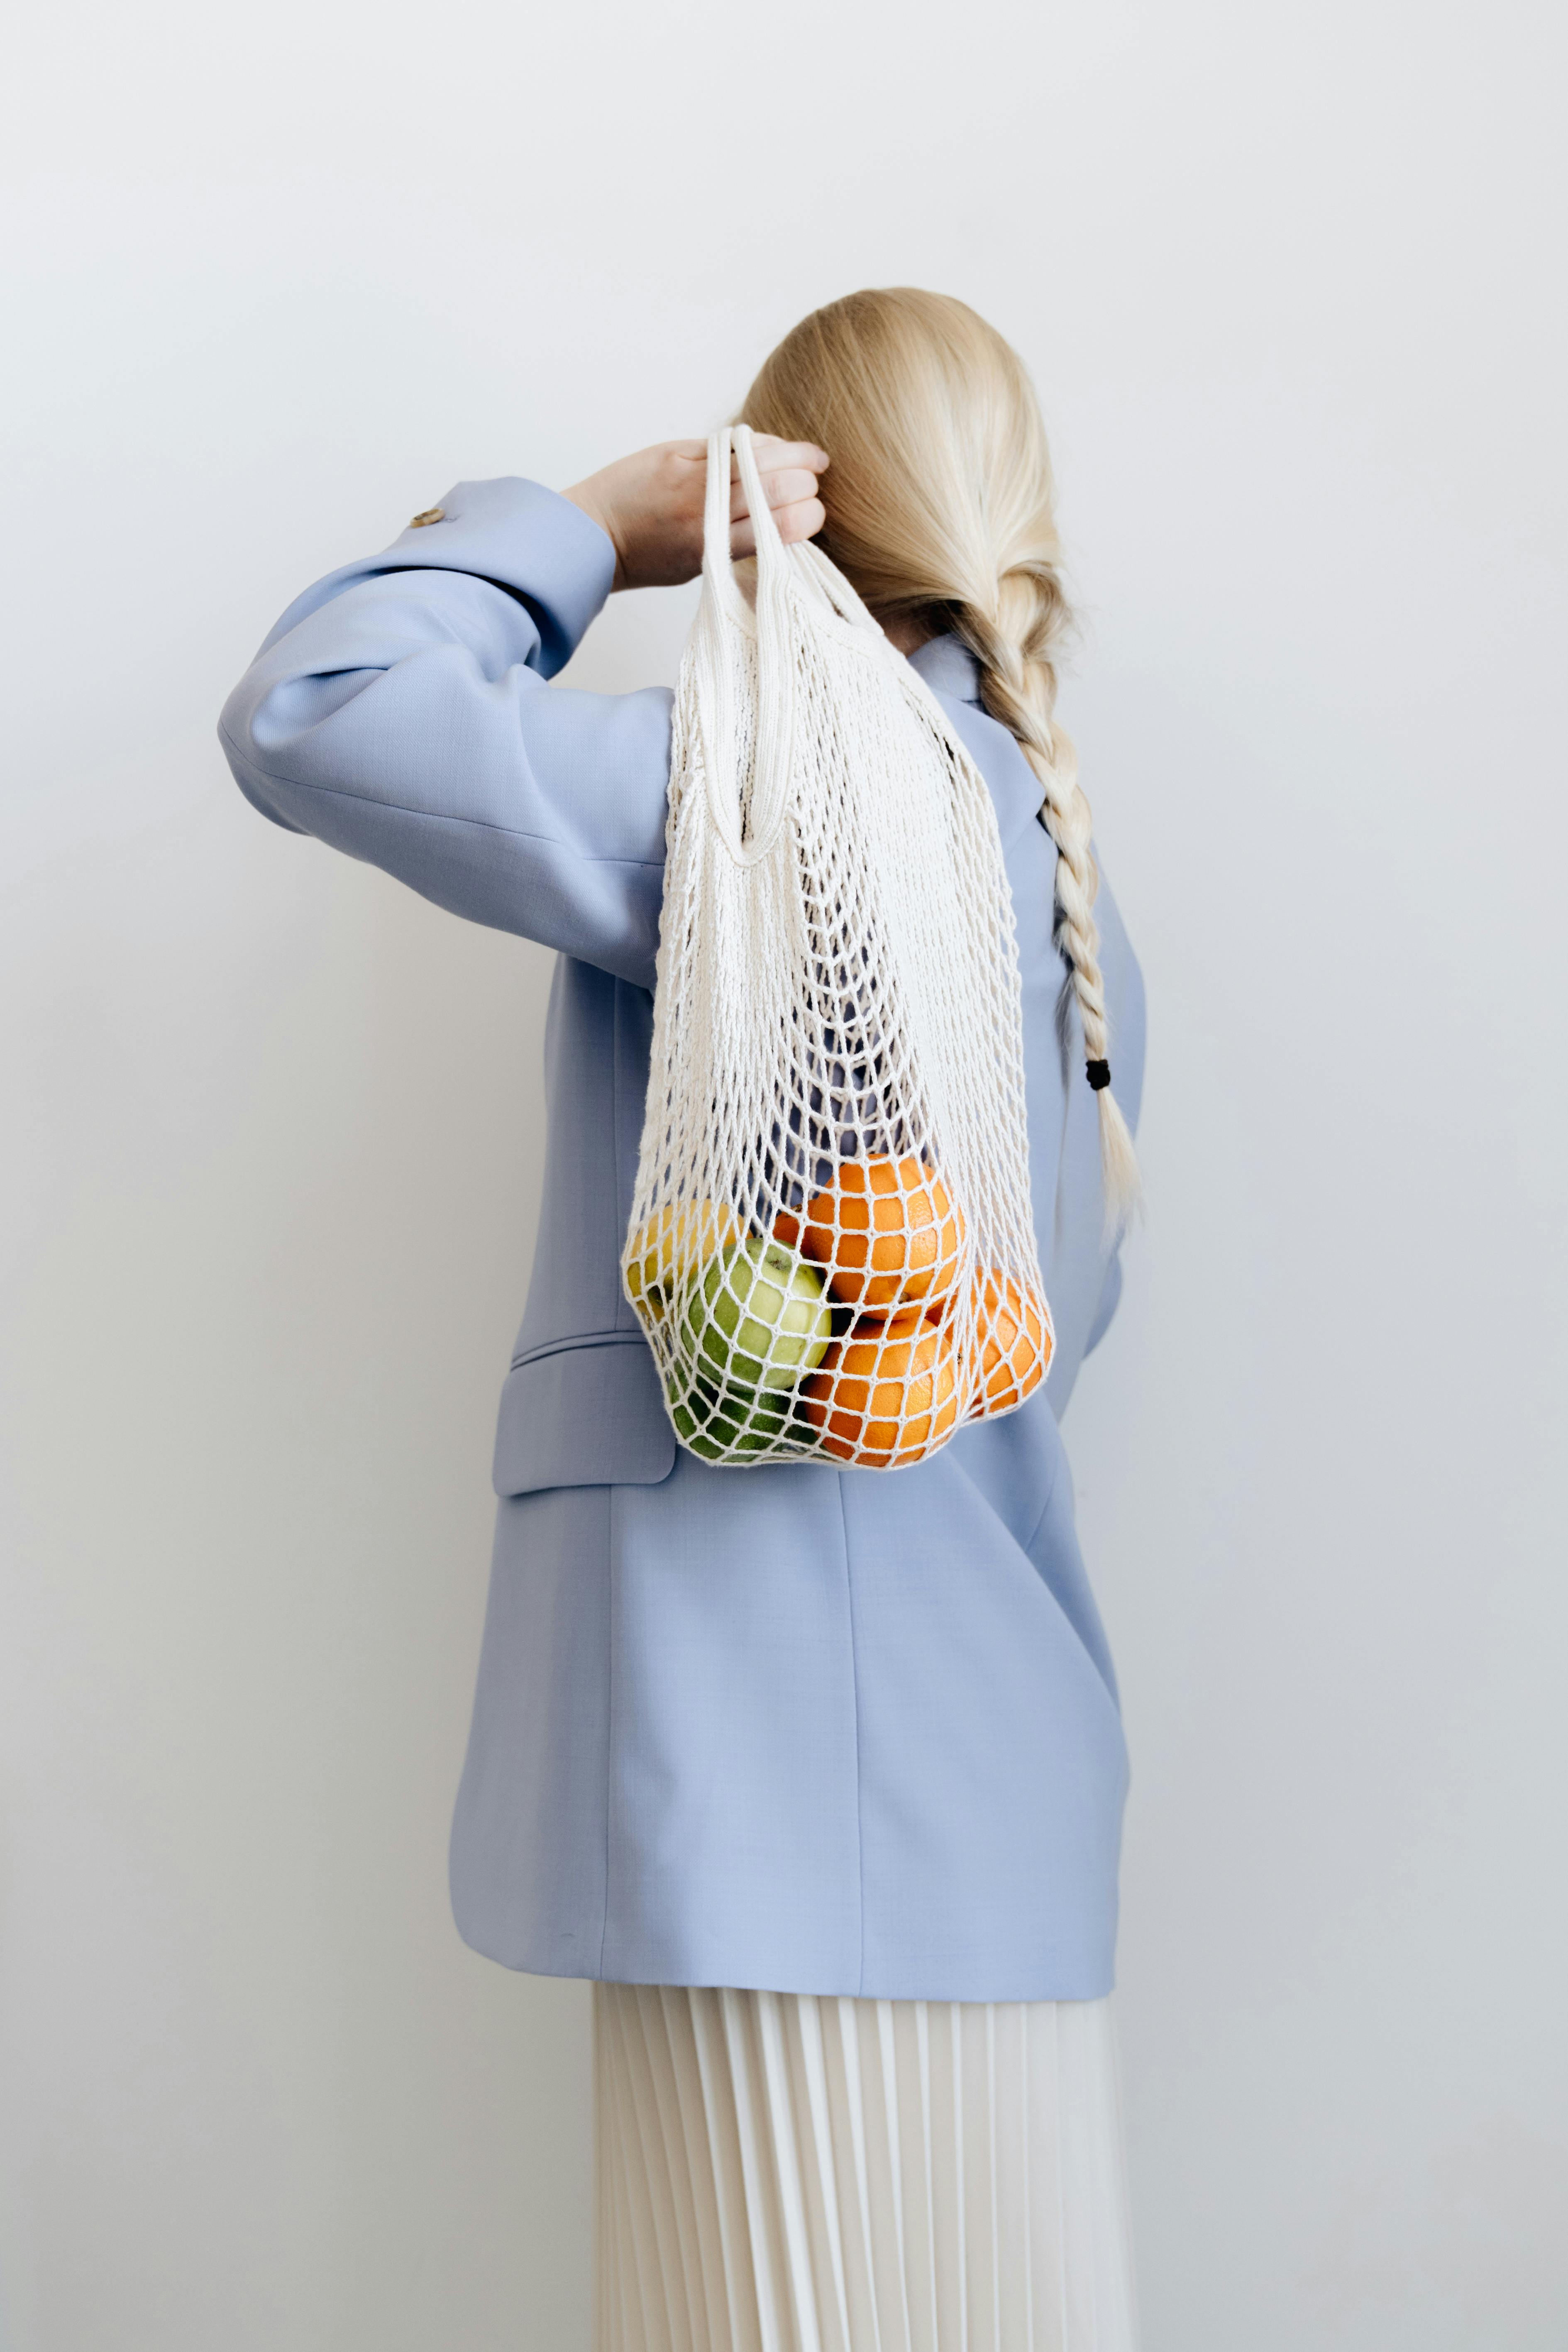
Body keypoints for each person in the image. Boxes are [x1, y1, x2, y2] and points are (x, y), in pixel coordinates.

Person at [220, 288, 1146, 2351]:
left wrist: (591, 529)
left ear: (791, 511)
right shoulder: (1066, 883)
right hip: (1007, 1799)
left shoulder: (755, 806)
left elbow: (314, 704)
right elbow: (1042, 1333)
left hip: (751, 1794)